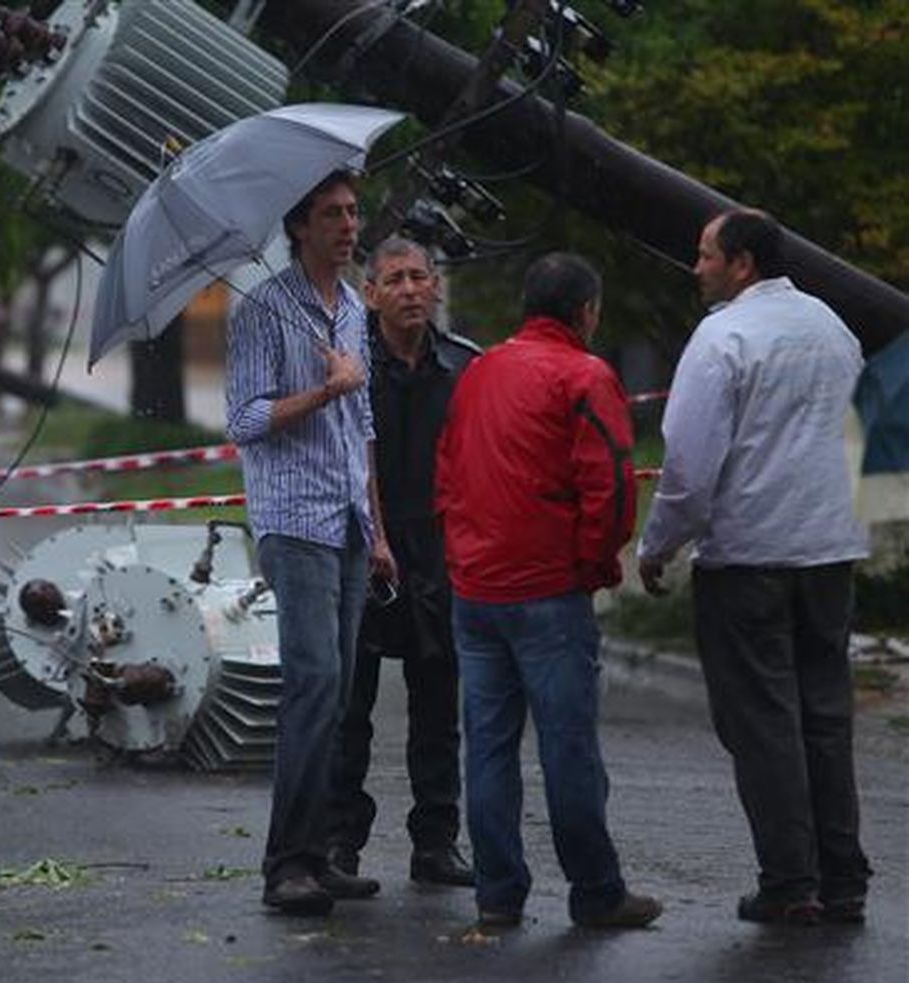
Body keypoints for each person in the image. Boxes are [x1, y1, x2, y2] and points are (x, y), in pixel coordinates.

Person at [637, 209, 872, 926]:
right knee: (825, 716)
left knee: (763, 721)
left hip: (749, 558)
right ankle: (843, 876)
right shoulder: (835, 328)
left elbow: (690, 465)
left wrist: (658, 543)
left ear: (741, 263)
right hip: (830, 550)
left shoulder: (723, 337)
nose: (696, 266)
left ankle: (789, 879)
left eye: (706, 255)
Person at [436, 251, 662, 929]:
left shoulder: (478, 371)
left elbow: (447, 471)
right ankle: (596, 890)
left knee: (488, 747)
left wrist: (462, 556)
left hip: (476, 589)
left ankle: (498, 893)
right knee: (568, 746)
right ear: (586, 311)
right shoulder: (586, 375)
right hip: (547, 589)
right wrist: (596, 566)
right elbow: (612, 487)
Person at [225, 170, 382, 916]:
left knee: (340, 693)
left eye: (353, 212)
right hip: (294, 521)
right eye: (332, 215)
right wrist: (327, 389)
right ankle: (286, 861)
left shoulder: (354, 306)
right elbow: (246, 419)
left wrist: (378, 530)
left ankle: (319, 854)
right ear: (299, 228)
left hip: (349, 522)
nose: (348, 226)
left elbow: (366, 431)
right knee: (313, 684)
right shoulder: (264, 309)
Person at [325, 237, 477, 888]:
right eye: (395, 278)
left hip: (441, 555)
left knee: (439, 706)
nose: (411, 288)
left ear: (436, 286)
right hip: (363, 546)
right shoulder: (348, 364)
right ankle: (338, 843)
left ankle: (436, 842)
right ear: (371, 293)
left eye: (420, 276)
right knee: (347, 709)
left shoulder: (465, 367)